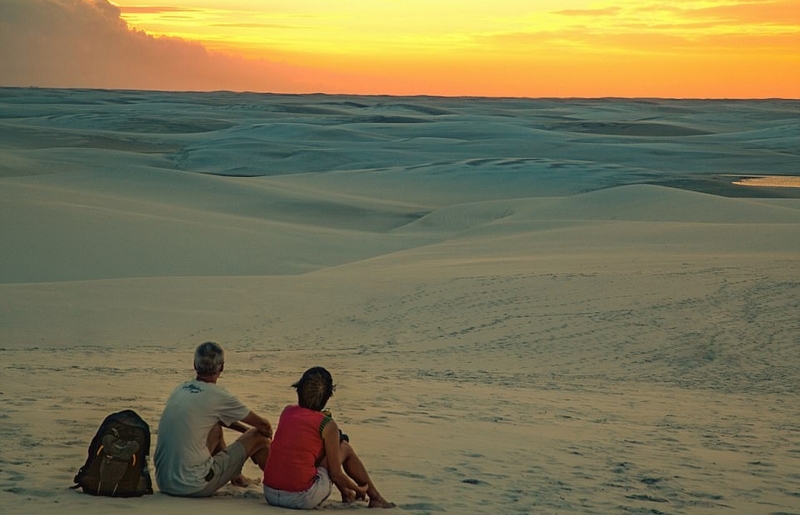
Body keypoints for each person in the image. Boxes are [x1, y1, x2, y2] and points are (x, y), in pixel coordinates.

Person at [262, 367, 394, 509]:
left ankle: (346, 494)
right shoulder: (327, 424)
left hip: (270, 492)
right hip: (301, 497)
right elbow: (335, 474)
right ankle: (375, 497)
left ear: (298, 390)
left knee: (312, 455)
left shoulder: (287, 412)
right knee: (344, 448)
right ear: (328, 396)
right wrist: (358, 489)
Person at [154, 341, 272, 497]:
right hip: (194, 484)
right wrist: (256, 435)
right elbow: (264, 426)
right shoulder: (218, 395)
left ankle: (237, 477)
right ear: (222, 367)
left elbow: (214, 417)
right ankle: (280, 484)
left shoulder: (180, 389)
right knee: (260, 438)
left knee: (215, 428)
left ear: (194, 365)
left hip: (164, 481)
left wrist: (244, 430)